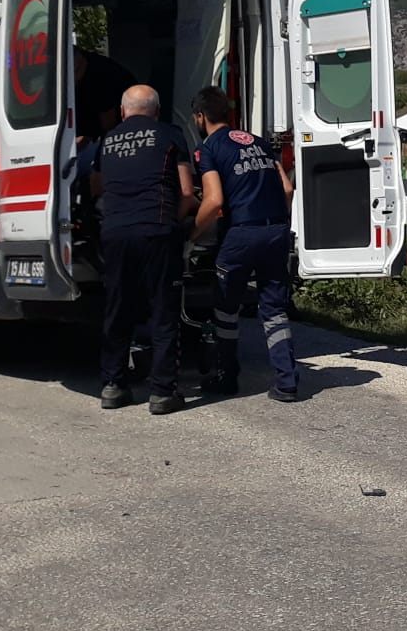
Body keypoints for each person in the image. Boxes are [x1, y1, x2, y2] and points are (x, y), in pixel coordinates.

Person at [190, 86, 300, 403]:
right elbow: (288, 189)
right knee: (274, 309)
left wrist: (191, 237)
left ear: (200, 116)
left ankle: (228, 377)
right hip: (276, 228)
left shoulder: (208, 148)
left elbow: (213, 202)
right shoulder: (259, 142)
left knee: (226, 308)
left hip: (241, 233)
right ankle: (287, 382)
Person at [94, 85, 195, 413]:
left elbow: (97, 188)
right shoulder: (170, 135)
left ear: (123, 111)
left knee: (117, 309)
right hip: (157, 228)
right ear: (157, 110)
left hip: (115, 232)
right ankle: (163, 392)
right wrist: (174, 224)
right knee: (163, 310)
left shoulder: (106, 141)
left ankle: (113, 385)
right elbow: (186, 192)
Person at [74, 47, 136, 143]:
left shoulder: (101, 75)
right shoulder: (80, 71)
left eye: (75, 72)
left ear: (81, 61)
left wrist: (85, 141)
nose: (74, 80)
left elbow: (108, 123)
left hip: (119, 132)